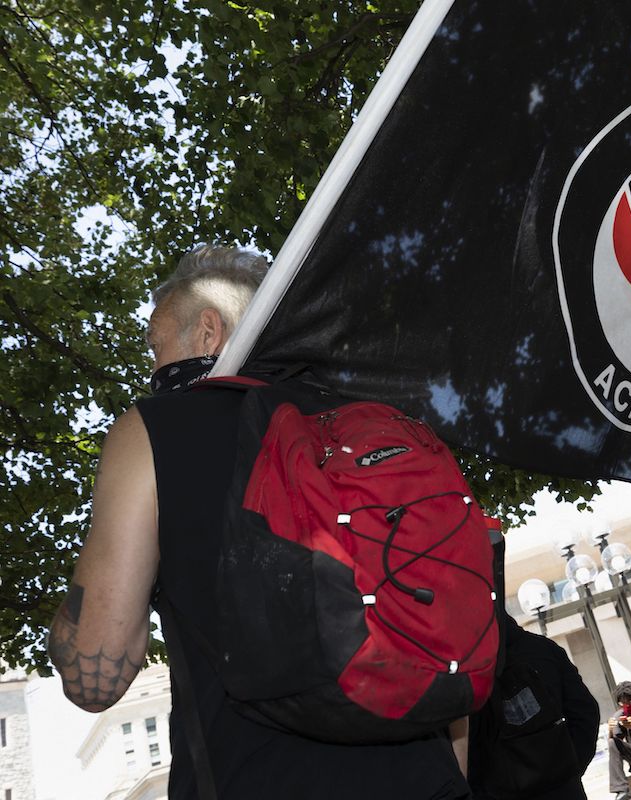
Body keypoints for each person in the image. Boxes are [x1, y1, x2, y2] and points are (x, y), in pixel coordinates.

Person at [47, 245, 470, 799]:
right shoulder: (381, 428)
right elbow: (451, 651)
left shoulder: (152, 430)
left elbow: (94, 675)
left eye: (155, 345)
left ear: (207, 332)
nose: (152, 366)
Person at [468, 613, 600, 800]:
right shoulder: (544, 650)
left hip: (503, 790)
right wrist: (570, 767)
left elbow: (470, 746)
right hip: (563, 787)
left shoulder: (468, 673)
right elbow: (586, 713)